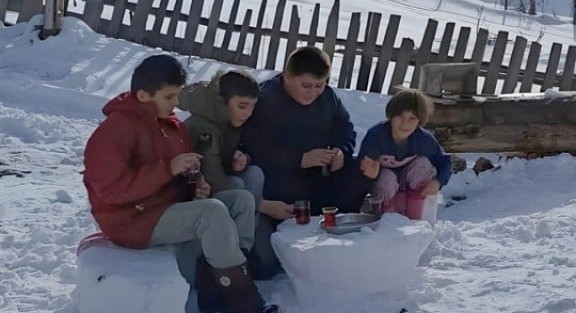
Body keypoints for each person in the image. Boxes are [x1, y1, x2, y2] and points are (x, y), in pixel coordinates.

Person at [83, 54, 277, 313]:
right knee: (212, 212)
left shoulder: (170, 125)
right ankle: (246, 303)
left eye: (177, 96)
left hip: (166, 207)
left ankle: (221, 283)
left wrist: (196, 185)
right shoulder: (114, 131)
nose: (176, 104)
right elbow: (110, 191)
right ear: (143, 96)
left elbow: (183, 172)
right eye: (169, 97)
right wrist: (168, 169)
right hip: (131, 220)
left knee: (241, 200)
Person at [239, 45, 369, 278]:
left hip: (319, 182)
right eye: (306, 86)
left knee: (359, 169)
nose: (313, 93)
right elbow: (253, 149)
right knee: (267, 265)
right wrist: (298, 159)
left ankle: (339, 231)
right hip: (278, 189)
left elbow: (347, 131)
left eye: (319, 86)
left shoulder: (328, 97)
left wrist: (341, 152)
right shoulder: (265, 99)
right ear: (287, 77)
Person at [178, 70, 293, 221]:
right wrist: (263, 205)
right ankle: (240, 240)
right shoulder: (203, 127)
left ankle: (250, 229)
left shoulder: (229, 118)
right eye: (243, 106)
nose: (248, 113)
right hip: (196, 190)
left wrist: (240, 158)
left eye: (252, 106)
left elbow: (227, 156)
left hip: (218, 180)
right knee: (237, 185)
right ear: (223, 102)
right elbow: (214, 179)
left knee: (254, 173)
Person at [357, 89, 453, 220]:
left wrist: (437, 182)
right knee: (387, 178)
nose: (405, 123)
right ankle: (386, 222)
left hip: (409, 189)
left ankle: (415, 222)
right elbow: (359, 169)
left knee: (423, 164)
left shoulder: (423, 139)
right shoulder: (376, 136)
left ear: (419, 120)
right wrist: (370, 175)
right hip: (384, 191)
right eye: (400, 117)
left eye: (412, 118)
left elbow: (444, 162)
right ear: (390, 116)